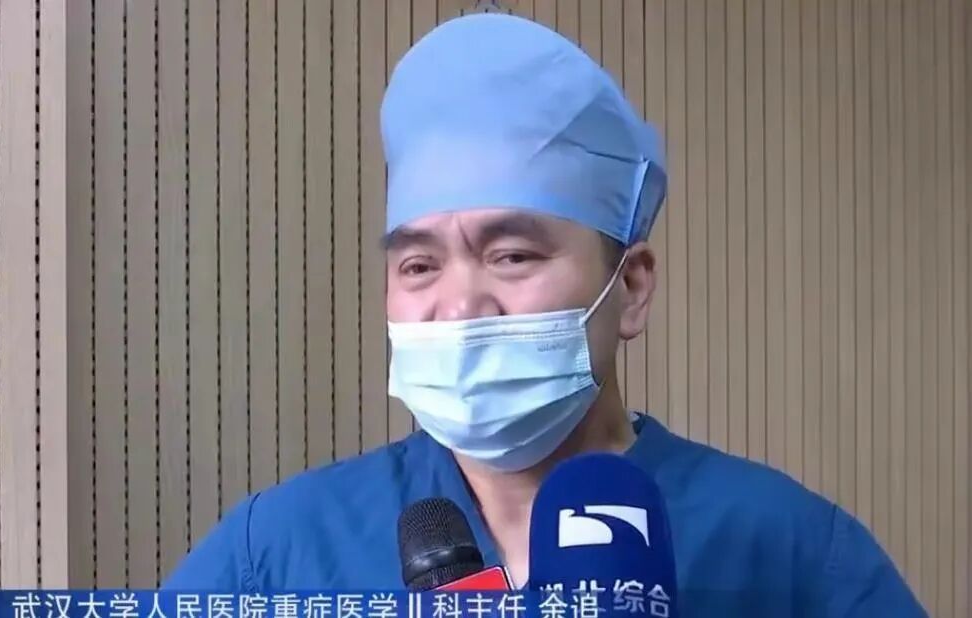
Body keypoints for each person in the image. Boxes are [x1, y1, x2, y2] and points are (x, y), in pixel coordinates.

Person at [164, 12, 924, 616]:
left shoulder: (791, 554)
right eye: (419, 266)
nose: (460, 306)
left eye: (513, 255)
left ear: (631, 288)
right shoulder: (281, 551)